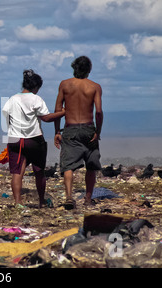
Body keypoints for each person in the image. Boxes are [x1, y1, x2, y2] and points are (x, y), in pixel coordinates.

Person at [2, 69, 65, 208]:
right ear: (36, 87)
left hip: (15, 140)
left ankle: (18, 202)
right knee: (39, 172)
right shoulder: (36, 99)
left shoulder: (12, 99)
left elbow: (7, 116)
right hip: (34, 140)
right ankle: (41, 201)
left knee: (17, 173)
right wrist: (63, 113)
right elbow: (46, 118)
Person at [54, 56, 103, 209]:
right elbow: (99, 112)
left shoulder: (65, 85)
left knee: (68, 165)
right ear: (89, 70)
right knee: (91, 164)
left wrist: (57, 130)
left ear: (74, 68)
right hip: (88, 128)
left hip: (71, 128)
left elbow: (57, 110)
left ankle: (69, 197)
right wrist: (98, 132)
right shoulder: (95, 87)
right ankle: (88, 198)